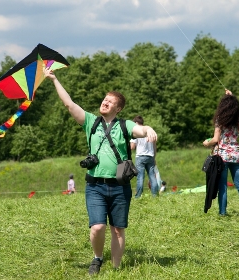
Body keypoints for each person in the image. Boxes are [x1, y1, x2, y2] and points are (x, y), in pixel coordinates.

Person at [43, 67, 158, 275]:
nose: (105, 102)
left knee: (118, 229)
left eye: (110, 102)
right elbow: (69, 104)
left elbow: (140, 130)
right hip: (95, 185)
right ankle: (97, 258)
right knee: (97, 227)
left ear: (118, 108)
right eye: (105, 99)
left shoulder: (125, 125)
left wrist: (148, 129)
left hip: (120, 187)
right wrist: (54, 80)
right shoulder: (90, 122)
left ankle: (115, 269)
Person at [203, 89, 239, 218]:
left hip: (222, 157)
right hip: (236, 155)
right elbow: (233, 106)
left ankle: (222, 213)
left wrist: (206, 143)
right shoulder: (238, 121)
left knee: (222, 186)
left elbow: (215, 139)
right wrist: (231, 97)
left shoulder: (220, 119)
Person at [130, 116, 159, 197]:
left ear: (136, 123)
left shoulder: (136, 132)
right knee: (152, 176)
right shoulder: (149, 131)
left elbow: (132, 147)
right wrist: (154, 157)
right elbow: (154, 147)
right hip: (150, 156)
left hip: (140, 156)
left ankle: (138, 196)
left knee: (140, 177)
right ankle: (155, 195)